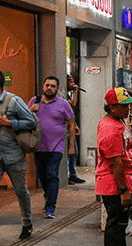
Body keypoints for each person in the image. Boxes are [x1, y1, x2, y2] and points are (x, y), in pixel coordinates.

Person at [96, 87, 132, 246]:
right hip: (114, 186)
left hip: (122, 182)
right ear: (112, 107)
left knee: (119, 225)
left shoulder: (117, 121)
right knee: (116, 226)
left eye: (128, 105)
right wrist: (123, 191)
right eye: (124, 105)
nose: (128, 108)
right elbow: (116, 163)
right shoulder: (110, 129)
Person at [29, 76, 76, 219]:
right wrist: (31, 111)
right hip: (38, 146)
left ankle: (51, 207)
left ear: (57, 88)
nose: (49, 88)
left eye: (53, 86)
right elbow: (24, 120)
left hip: (56, 147)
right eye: (47, 85)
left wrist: (71, 146)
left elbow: (71, 125)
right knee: (42, 176)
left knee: (52, 175)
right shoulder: (34, 101)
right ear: (43, 87)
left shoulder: (63, 104)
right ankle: (48, 196)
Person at [0, 71, 36, 240]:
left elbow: (31, 122)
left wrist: (10, 123)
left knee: (21, 191)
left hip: (13, 155)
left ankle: (27, 223)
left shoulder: (13, 101)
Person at [66, 75, 85, 185]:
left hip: (71, 126)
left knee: (74, 152)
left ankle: (72, 174)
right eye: (70, 81)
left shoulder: (68, 93)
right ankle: (68, 175)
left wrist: (75, 91)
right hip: (65, 128)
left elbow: (73, 104)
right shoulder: (63, 94)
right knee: (69, 152)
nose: (72, 83)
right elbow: (71, 104)